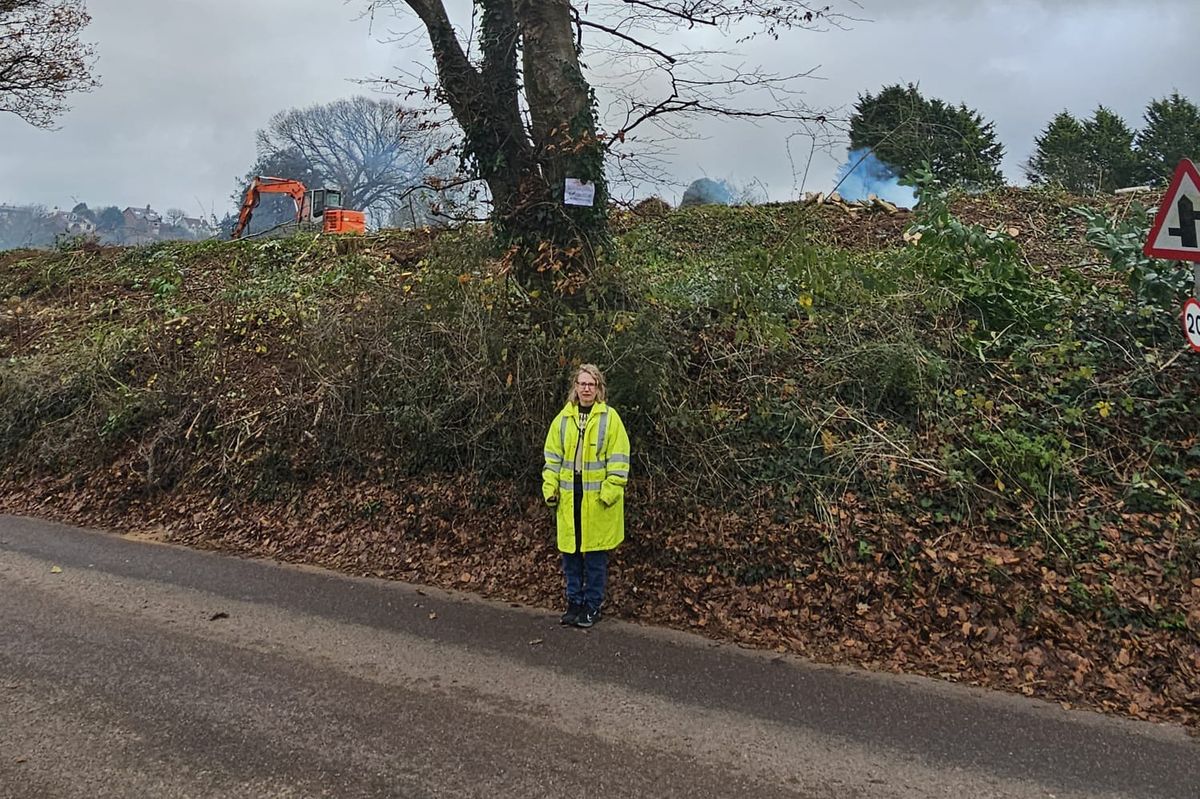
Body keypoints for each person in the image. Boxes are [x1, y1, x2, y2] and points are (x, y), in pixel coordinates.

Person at [542, 364, 630, 628]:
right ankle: (573, 604)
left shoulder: (610, 419)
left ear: (598, 388)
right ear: (575, 388)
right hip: (569, 501)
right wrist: (550, 488)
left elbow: (619, 462)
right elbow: (551, 459)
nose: (586, 389)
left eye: (591, 384)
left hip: (598, 503)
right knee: (570, 557)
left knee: (594, 560)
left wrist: (609, 493)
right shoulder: (563, 420)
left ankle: (592, 606)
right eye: (582, 384)